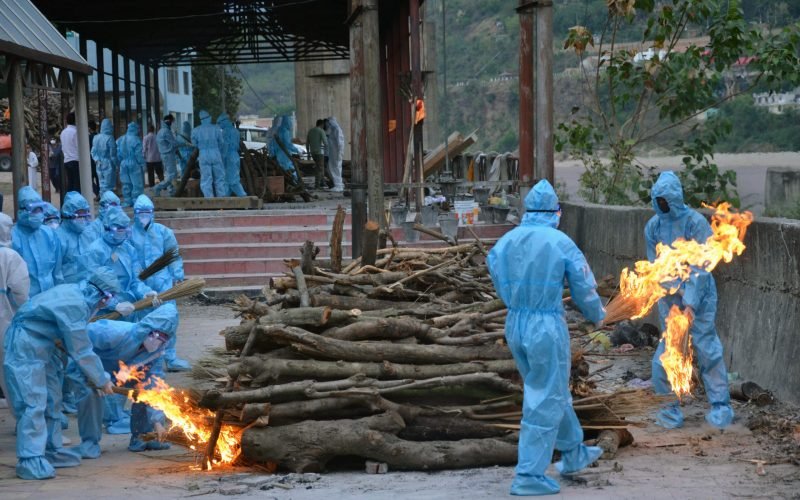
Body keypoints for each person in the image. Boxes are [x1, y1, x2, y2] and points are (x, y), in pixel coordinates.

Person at [487, 180, 606, 496]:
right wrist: (598, 314)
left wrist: (515, 300)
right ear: (555, 211)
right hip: (545, 326)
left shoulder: (507, 241)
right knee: (543, 398)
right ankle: (528, 475)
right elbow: (583, 286)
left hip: (516, 323)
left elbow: (494, 269)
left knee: (550, 390)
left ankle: (574, 451)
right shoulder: (560, 242)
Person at [3, 267, 120, 480]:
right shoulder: (76, 304)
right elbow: (81, 349)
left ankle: (50, 450)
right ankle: (30, 459)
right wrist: (102, 379)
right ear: (99, 292)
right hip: (25, 346)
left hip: (45, 346)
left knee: (52, 398)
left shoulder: (77, 293)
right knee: (33, 402)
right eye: (108, 297)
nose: (107, 303)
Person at [645, 171, 734, 430]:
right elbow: (655, 266)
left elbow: (701, 267)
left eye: (665, 200)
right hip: (670, 300)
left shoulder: (696, 223)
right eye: (658, 201)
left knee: (706, 348)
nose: (662, 205)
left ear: (674, 199)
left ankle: (720, 407)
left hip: (701, 298)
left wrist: (691, 303)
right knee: (668, 352)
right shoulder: (653, 227)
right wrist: (671, 292)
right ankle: (668, 410)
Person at [72, 304, 177, 457]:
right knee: (89, 395)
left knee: (144, 392)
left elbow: (154, 385)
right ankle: (89, 443)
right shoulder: (111, 332)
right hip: (88, 371)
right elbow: (79, 346)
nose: (158, 340)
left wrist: (157, 421)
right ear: (147, 329)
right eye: (157, 335)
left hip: (119, 375)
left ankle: (143, 437)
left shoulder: (156, 353)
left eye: (164, 337)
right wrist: (98, 377)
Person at [130, 194, 189, 371]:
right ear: (135, 213)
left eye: (147, 212)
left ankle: (170, 357)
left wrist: (177, 275)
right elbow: (128, 257)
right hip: (141, 284)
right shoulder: (129, 234)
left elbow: (174, 255)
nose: (144, 216)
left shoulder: (164, 232)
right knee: (143, 321)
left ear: (153, 212)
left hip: (163, 283)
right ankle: (145, 358)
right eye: (141, 213)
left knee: (169, 318)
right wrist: (135, 275)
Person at [0, 213, 30, 409]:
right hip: (5, 324)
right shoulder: (9, 257)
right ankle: (24, 419)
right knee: (11, 375)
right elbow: (21, 293)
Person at [11, 186, 63, 296]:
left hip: (50, 297)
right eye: (34, 210)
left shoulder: (49, 234)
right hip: (24, 300)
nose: (39, 213)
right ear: (23, 211)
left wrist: (59, 295)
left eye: (40, 209)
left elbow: (57, 272)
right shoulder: (13, 238)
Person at [57, 192, 94, 284]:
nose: (83, 218)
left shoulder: (88, 233)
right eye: (79, 215)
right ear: (68, 214)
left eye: (85, 214)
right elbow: (56, 272)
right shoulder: (58, 237)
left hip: (90, 285)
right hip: (68, 288)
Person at [191, 110, 227, 198]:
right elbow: (221, 143)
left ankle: (209, 199)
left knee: (206, 179)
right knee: (219, 178)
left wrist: (202, 147)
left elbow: (194, 144)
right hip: (215, 154)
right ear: (209, 117)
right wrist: (218, 151)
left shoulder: (195, 130)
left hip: (203, 155)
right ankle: (221, 199)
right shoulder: (216, 128)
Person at [117, 122, 146, 207]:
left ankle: (127, 201)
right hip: (134, 163)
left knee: (126, 183)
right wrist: (142, 164)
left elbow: (118, 154)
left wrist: (119, 163)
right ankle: (136, 201)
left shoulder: (120, 139)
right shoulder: (136, 139)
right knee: (137, 184)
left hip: (123, 163)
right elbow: (138, 155)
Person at [218, 113, 247, 197]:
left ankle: (243, 197)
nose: (219, 125)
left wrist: (222, 159)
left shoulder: (225, 132)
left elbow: (225, 147)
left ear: (224, 121)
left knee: (233, 180)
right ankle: (224, 199)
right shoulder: (236, 131)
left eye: (219, 123)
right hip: (235, 155)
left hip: (229, 157)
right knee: (227, 180)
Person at [269, 114, 300, 183]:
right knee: (290, 169)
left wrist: (272, 153)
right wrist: (297, 150)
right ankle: (294, 182)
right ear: (287, 122)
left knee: (282, 169)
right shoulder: (285, 131)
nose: (291, 124)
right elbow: (288, 144)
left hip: (279, 154)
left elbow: (272, 144)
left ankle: (286, 182)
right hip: (284, 155)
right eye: (290, 122)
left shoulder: (278, 130)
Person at [91, 118, 118, 196]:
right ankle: (108, 200)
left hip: (99, 164)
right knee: (108, 185)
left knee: (101, 184)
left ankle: (103, 199)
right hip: (108, 163)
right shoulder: (110, 138)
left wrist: (96, 160)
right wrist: (116, 165)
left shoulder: (96, 138)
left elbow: (93, 152)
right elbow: (113, 155)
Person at [153, 115, 178, 197]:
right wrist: (185, 143)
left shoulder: (160, 131)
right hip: (168, 155)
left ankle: (171, 191)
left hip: (165, 155)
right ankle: (158, 187)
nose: (173, 123)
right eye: (173, 121)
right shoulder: (166, 131)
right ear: (169, 121)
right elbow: (174, 143)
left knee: (169, 174)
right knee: (172, 175)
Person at [60, 112, 80, 194]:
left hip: (66, 160)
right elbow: (79, 147)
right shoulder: (76, 132)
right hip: (75, 160)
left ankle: (69, 199)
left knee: (70, 183)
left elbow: (63, 147)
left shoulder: (63, 132)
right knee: (77, 184)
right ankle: (77, 200)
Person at [325, 116, 345, 192]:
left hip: (336, 152)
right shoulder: (333, 130)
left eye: (328, 123)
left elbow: (340, 142)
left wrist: (340, 152)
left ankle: (338, 185)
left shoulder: (336, 129)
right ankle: (338, 184)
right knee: (333, 168)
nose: (327, 125)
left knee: (336, 168)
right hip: (334, 152)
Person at [306, 119, 328, 189]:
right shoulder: (321, 131)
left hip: (313, 152)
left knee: (320, 168)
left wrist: (308, 152)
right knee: (319, 169)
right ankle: (317, 185)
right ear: (322, 124)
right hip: (319, 152)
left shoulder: (310, 131)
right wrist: (328, 150)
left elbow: (307, 142)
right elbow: (325, 142)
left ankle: (322, 182)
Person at [88, 120, 100, 200]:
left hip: (91, 161)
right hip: (99, 160)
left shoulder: (89, 138)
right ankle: (99, 193)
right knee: (99, 178)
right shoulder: (99, 137)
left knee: (89, 179)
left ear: (89, 128)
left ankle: (97, 193)